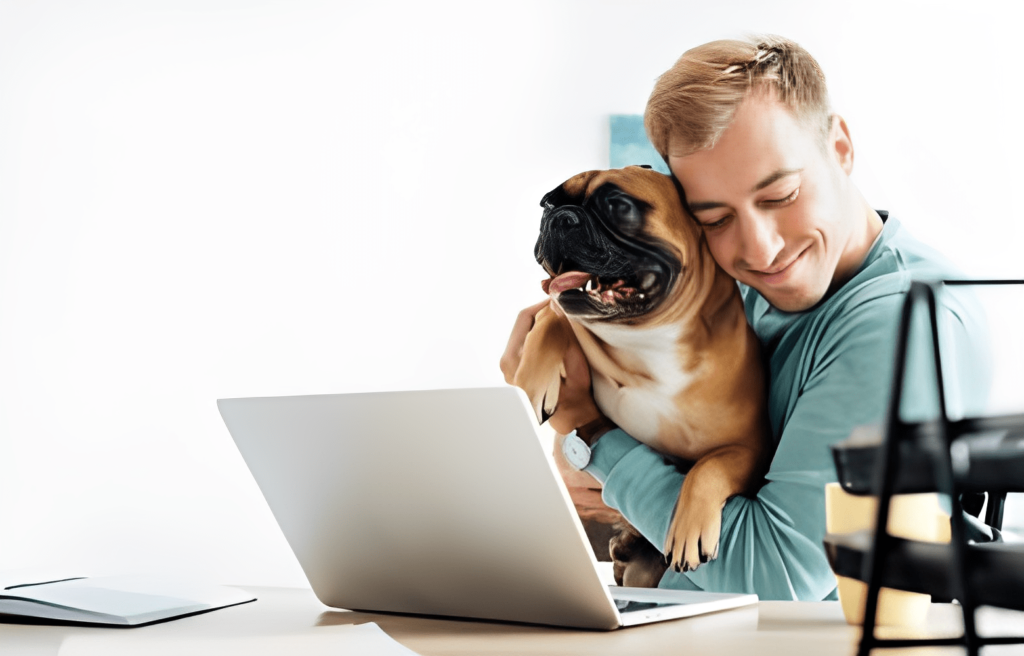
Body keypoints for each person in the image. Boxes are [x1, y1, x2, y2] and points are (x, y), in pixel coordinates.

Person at [501, 35, 993, 600]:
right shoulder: (747, 287)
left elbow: (775, 578)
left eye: (780, 194)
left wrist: (594, 438)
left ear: (840, 147)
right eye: (714, 219)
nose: (759, 251)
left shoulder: (901, 320)